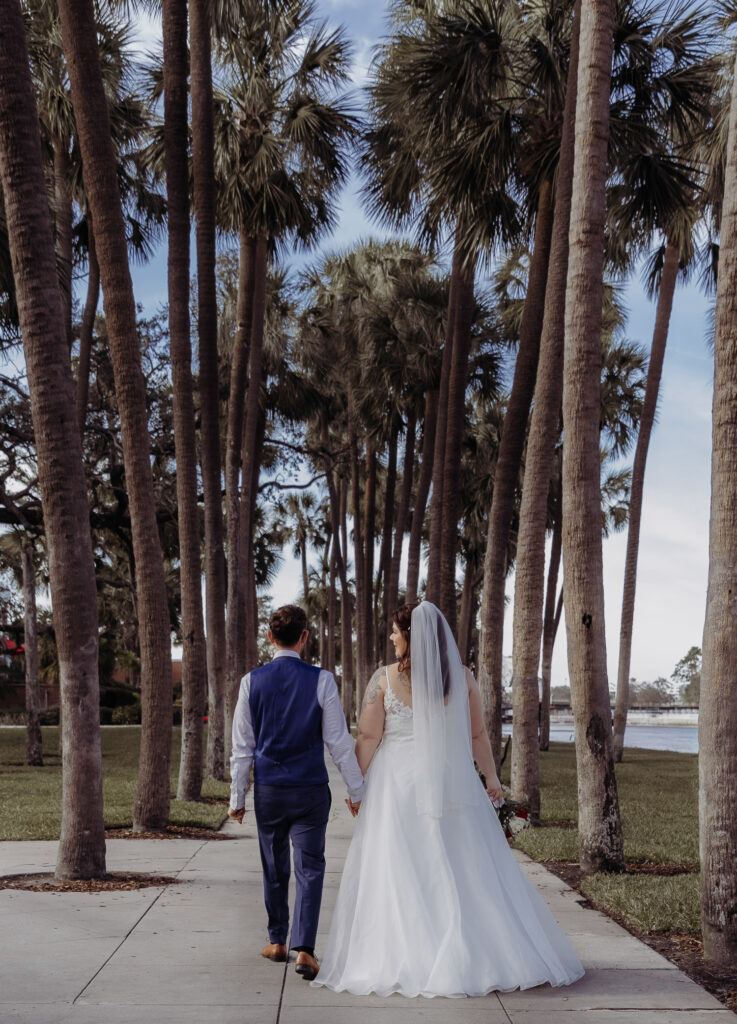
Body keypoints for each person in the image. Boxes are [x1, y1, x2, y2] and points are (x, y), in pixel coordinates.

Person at [312, 600, 585, 998]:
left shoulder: (383, 680)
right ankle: (472, 953)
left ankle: (407, 953)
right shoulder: (462, 678)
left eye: (395, 631)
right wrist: (491, 777)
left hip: (398, 786)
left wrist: (357, 785)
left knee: (403, 867)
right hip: (450, 780)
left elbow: (369, 738)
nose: (391, 637)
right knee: (460, 866)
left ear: (411, 637)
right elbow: (477, 735)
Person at [228, 604, 365, 982]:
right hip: (309, 792)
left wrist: (237, 798)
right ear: (305, 637)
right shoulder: (321, 680)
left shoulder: (250, 681)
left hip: (270, 792)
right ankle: (304, 949)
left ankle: (276, 942)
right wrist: (357, 790)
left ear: (270, 638)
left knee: (274, 864)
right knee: (310, 867)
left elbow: (243, 746)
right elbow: (338, 743)